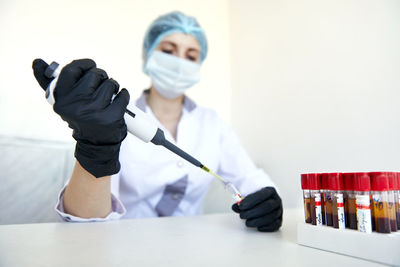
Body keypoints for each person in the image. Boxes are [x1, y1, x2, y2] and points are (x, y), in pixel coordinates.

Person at [32, 11, 283, 232]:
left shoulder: (211, 123)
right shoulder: (111, 116)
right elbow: (84, 221)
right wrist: (95, 147)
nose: (179, 62)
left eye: (191, 55)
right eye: (168, 50)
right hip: (123, 250)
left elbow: (250, 179)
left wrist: (267, 201)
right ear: (149, 55)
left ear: (200, 64)